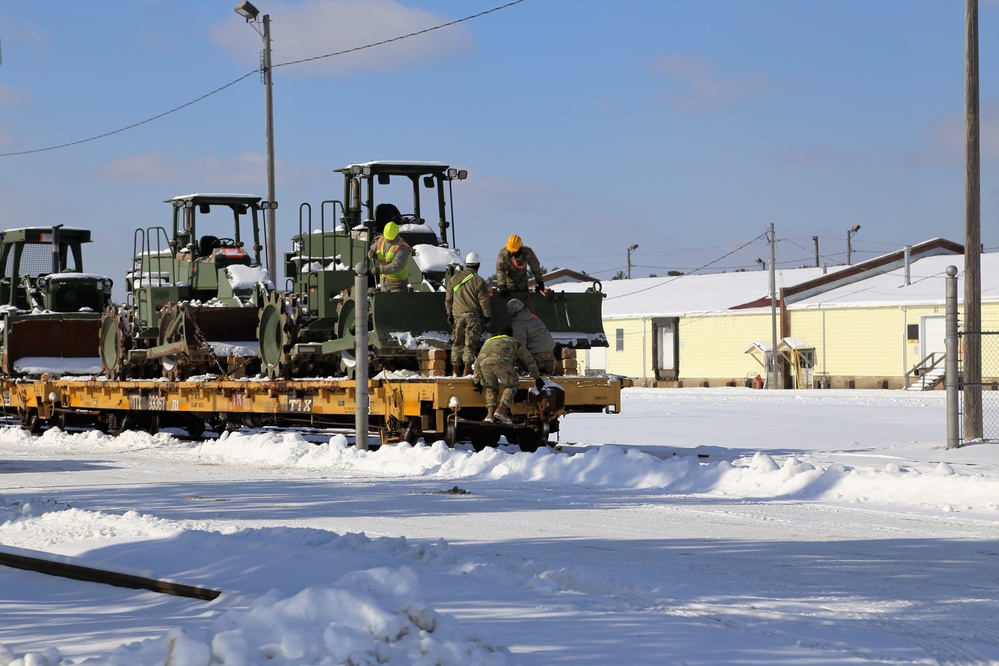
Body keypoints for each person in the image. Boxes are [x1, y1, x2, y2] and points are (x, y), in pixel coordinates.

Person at [473, 327, 545, 423]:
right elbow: (529, 360)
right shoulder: (513, 342)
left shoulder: (488, 343)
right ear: (510, 335)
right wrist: (537, 377)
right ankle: (501, 410)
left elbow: (477, 361)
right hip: (501, 362)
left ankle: (489, 416)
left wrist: (476, 380)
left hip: (484, 364)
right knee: (512, 384)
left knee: (491, 387)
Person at [445, 252, 491, 376]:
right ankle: (467, 368)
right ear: (477, 266)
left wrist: (449, 314)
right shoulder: (478, 281)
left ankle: (455, 368)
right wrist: (487, 317)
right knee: (469, 344)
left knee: (457, 342)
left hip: (457, 316)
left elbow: (448, 299)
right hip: (473, 317)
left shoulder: (453, 279)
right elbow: (484, 301)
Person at [506, 298, 559, 375]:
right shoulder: (533, 317)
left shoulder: (518, 323)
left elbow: (520, 344)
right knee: (554, 375)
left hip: (537, 352)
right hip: (549, 348)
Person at [367, 220, 411, 292]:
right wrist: (371, 254)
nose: (388, 240)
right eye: (387, 237)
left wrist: (379, 270)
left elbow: (396, 266)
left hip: (397, 287)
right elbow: (373, 251)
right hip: (384, 285)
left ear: (396, 235)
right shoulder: (381, 240)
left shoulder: (402, 247)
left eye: (391, 238)